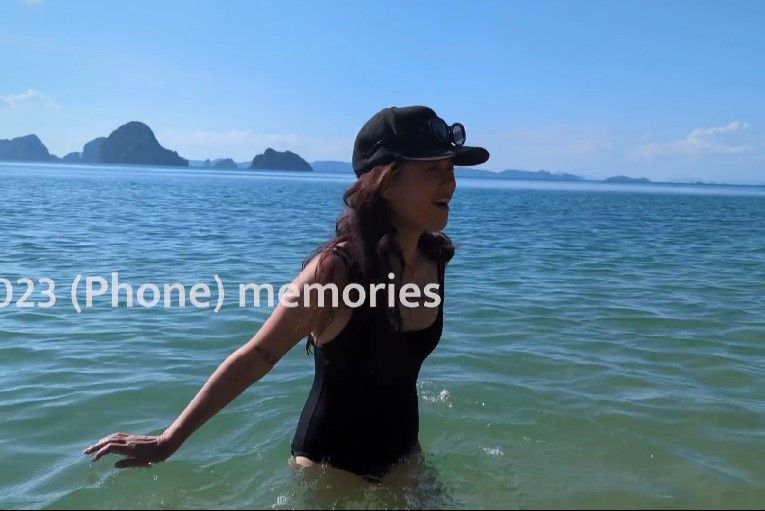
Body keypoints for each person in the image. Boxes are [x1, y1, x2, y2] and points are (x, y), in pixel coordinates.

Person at [82, 105, 490, 482]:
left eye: (450, 168)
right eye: (432, 170)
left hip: (406, 460)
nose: (450, 183)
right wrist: (167, 441)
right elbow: (258, 355)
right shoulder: (335, 273)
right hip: (331, 473)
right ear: (384, 182)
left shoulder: (434, 258)